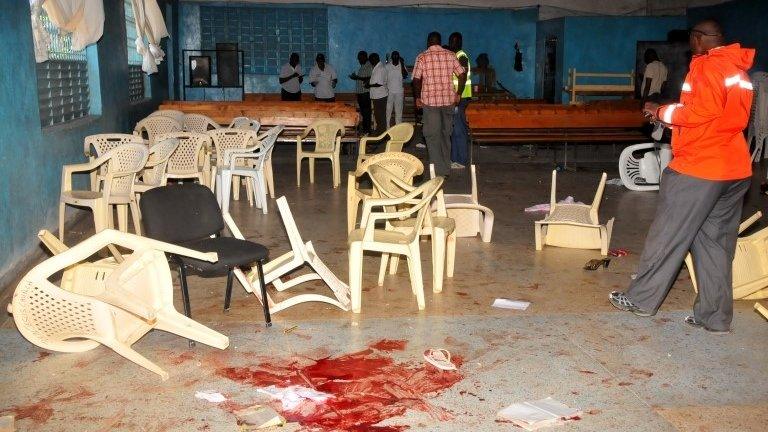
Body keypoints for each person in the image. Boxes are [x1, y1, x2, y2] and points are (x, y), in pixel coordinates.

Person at [609, 19, 755, 334]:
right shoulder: (738, 71)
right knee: (715, 245)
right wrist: (674, 112)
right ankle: (714, 317)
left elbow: (698, 113)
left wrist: (660, 112)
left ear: (700, 38)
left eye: (692, 37)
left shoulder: (706, 66)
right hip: (735, 168)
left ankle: (642, 300)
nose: (690, 42)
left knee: (668, 234)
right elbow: (719, 116)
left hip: (700, 168)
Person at [412, 31, 466, 176]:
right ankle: (445, 169)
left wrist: (417, 98)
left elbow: (416, 79)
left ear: (428, 42)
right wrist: (459, 93)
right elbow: (462, 74)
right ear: (439, 41)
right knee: (445, 135)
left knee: (432, 136)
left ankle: (437, 170)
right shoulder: (450, 55)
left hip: (430, 104)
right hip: (448, 102)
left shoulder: (422, 57)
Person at [449, 32, 471, 169]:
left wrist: (458, 94)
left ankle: (461, 160)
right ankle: (454, 159)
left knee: (459, 130)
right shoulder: (454, 56)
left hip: (460, 98)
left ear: (459, 43)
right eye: (450, 41)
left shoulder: (461, 56)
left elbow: (462, 74)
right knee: (454, 129)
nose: (451, 44)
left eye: (453, 41)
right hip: (457, 98)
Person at [349, 51, 372, 134]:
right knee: (363, 112)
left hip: (365, 93)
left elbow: (370, 78)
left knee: (366, 113)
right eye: (358, 59)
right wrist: (356, 78)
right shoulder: (362, 66)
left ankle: (367, 130)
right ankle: (365, 129)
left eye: (360, 58)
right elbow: (362, 78)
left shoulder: (369, 66)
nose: (359, 60)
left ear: (365, 57)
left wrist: (357, 77)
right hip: (360, 93)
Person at [366, 53, 388, 136]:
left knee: (380, 116)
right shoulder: (377, 68)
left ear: (374, 59)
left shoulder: (380, 69)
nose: (370, 62)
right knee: (378, 116)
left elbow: (379, 83)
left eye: (371, 60)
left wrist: (369, 85)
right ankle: (381, 133)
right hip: (377, 96)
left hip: (380, 96)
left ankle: (382, 134)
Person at [386, 50, 408, 126]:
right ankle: (387, 127)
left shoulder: (402, 65)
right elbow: (384, 79)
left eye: (397, 56)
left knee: (399, 111)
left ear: (399, 57)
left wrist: (402, 63)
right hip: (389, 92)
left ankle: (398, 128)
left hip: (399, 92)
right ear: (391, 57)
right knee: (388, 110)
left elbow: (405, 76)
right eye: (394, 55)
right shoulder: (387, 66)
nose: (395, 57)